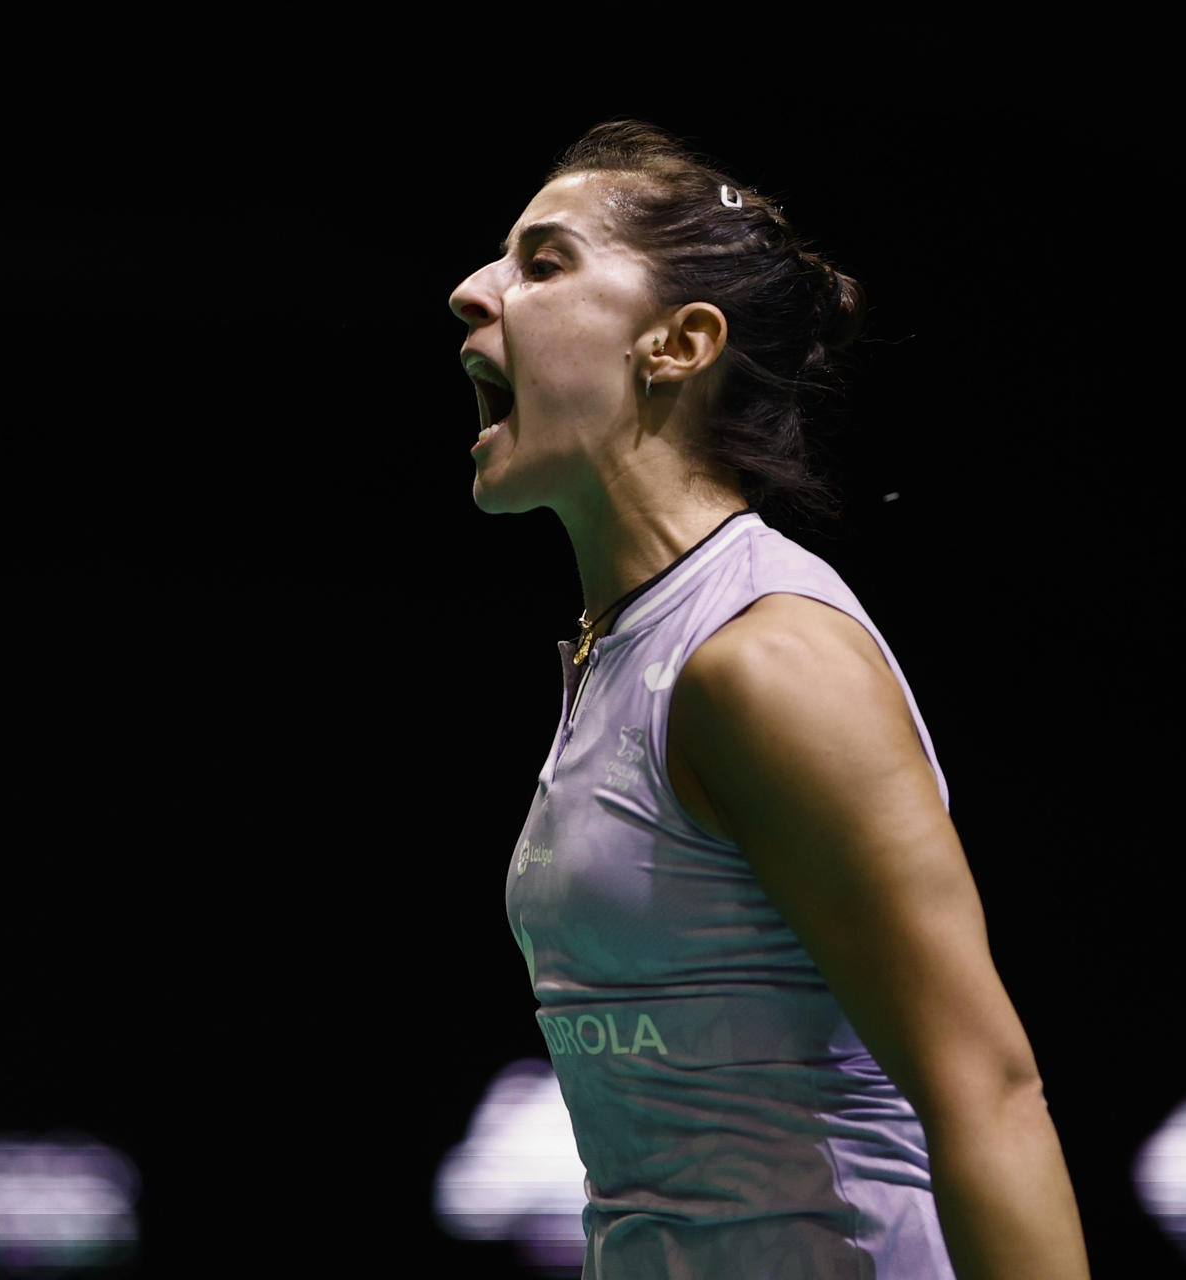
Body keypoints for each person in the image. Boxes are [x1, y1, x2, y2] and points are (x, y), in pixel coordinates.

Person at [450, 120, 1090, 1280]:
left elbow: (988, 1089)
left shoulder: (763, 658)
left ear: (679, 342)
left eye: (544, 263)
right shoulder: (619, 645)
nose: (471, 292)